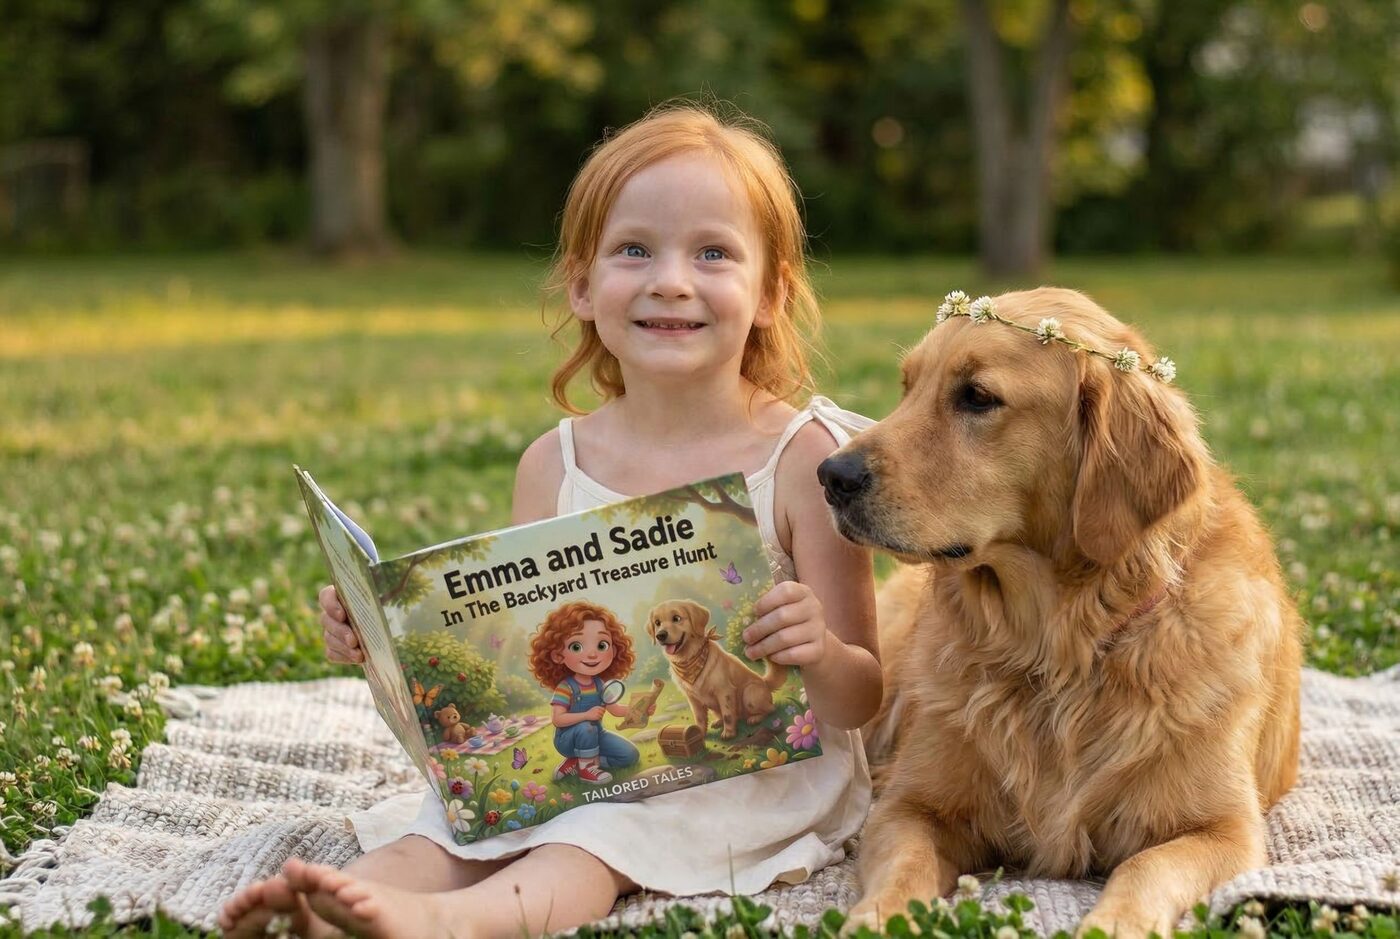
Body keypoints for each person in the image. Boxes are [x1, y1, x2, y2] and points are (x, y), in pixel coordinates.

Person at [220, 100, 881, 939]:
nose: (670, 279)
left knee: (587, 837)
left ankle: (442, 927)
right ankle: (337, 906)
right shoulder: (553, 462)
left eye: (713, 253)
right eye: (633, 250)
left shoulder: (799, 456)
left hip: (742, 772)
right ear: (581, 283)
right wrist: (384, 639)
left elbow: (864, 696)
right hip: (589, 749)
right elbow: (524, 660)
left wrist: (815, 648)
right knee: (451, 819)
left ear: (769, 293)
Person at [529, 601, 640, 783]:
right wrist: (586, 715)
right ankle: (586, 770)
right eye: (576, 647)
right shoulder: (566, 687)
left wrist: (639, 709)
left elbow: (616, 709)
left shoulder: (600, 684)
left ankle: (580, 762)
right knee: (586, 727)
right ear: (558, 655)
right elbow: (558, 720)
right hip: (568, 739)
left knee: (630, 755)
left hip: (596, 735)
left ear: (613, 649)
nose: (592, 654)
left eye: (601, 645)